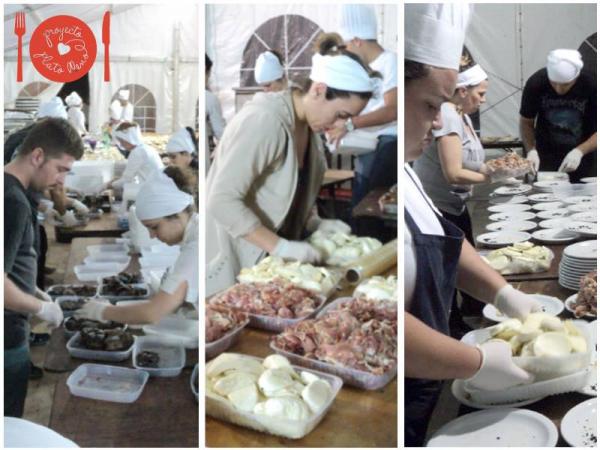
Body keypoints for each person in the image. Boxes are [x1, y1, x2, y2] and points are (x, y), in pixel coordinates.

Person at [404, 4, 542, 446]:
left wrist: (505, 293)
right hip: (404, 379)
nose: (437, 122)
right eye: (430, 106)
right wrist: (476, 362)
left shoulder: (405, 172)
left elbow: (444, 241)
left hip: (426, 375)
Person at [206, 33, 378, 296]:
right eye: (341, 115)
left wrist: (314, 222)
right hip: (238, 261)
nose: (340, 125)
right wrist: (280, 247)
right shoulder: (265, 121)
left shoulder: (308, 129)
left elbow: (290, 190)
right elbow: (221, 200)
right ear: (319, 90)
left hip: (269, 264)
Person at [413, 53, 509, 328]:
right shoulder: (447, 116)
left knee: (462, 261)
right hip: (441, 207)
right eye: (480, 93)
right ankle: (453, 327)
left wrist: (491, 168)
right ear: (462, 90)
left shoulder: (461, 115)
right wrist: (493, 177)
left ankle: (471, 310)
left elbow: (469, 160)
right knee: (448, 269)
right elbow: (453, 173)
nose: (483, 99)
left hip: (454, 204)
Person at [4, 117, 84, 417]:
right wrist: (39, 309)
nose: (62, 180)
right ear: (37, 156)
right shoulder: (12, 201)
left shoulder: (12, 191)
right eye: (61, 169)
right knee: (9, 422)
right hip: (7, 335)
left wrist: (33, 290)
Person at [75, 171, 198, 324]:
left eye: (154, 227)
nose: (152, 236)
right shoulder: (194, 234)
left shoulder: (195, 248)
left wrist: (103, 311)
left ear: (178, 214)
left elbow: (152, 313)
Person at [327, 4, 398, 209]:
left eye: (347, 47)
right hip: (366, 144)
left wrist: (350, 124)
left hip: (388, 143)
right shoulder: (363, 69)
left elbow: (392, 109)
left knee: (370, 203)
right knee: (359, 202)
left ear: (357, 41)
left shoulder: (389, 62)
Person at [521, 49, 597, 182]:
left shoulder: (592, 84)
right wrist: (531, 150)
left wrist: (579, 151)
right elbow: (526, 121)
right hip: (545, 155)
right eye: (553, 83)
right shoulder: (536, 83)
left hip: (585, 155)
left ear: (576, 76)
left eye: (565, 84)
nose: (558, 89)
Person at [105, 122, 164, 190]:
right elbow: (131, 176)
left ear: (128, 139)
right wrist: (117, 180)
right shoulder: (145, 148)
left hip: (153, 190)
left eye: (121, 141)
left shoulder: (137, 152)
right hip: (157, 186)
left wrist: (107, 186)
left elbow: (126, 180)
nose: (121, 144)